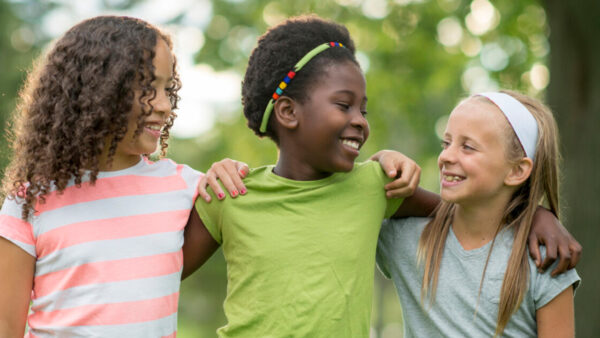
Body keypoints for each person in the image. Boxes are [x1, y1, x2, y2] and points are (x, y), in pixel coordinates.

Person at [183, 16, 580, 337]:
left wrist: (535, 214)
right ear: (288, 112)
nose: (359, 121)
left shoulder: (373, 188)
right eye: (344, 105)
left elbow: (460, 212)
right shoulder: (230, 194)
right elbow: (160, 272)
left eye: (364, 110)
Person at [0, 16, 248, 337]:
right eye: (148, 89)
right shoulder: (29, 201)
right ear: (96, 90)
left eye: (166, 88)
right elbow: (6, 325)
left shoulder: (187, 189)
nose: (164, 106)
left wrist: (227, 170)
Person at [377, 91, 581, 337]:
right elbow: (345, 194)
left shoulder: (544, 260)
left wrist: (536, 213)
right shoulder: (405, 239)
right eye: (446, 143)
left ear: (517, 170)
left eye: (468, 147)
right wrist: (381, 162)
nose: (446, 156)